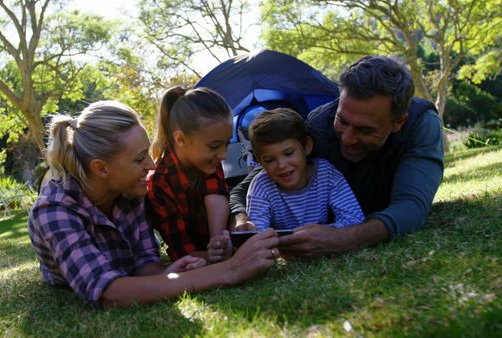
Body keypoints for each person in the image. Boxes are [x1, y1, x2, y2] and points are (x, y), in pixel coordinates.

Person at [27, 101, 281, 307]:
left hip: (125, 272)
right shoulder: (55, 210)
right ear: (101, 168)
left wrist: (168, 273)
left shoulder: (131, 192)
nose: (150, 165)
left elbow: (145, 259)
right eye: (139, 159)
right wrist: (230, 270)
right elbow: (109, 292)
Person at [230, 55, 444, 257]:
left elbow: (411, 207)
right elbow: (247, 187)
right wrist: (241, 220)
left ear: (398, 123)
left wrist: (340, 239)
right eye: (342, 121)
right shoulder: (317, 125)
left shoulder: (421, 125)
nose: (348, 138)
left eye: (366, 130)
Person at [147, 87, 234, 263]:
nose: (224, 155)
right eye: (215, 146)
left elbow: (216, 196)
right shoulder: (159, 182)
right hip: (194, 251)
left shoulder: (208, 160)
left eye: (226, 144)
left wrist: (218, 242)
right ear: (181, 139)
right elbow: (181, 251)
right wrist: (214, 256)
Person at [245, 108, 365, 231]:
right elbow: (257, 232)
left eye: (289, 153)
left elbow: (354, 218)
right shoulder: (261, 185)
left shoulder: (326, 174)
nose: (281, 165)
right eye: (269, 160)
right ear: (260, 162)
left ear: (307, 146)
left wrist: (324, 233)